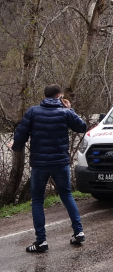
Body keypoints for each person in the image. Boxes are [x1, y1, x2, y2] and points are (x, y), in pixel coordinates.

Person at [13, 84, 88, 253]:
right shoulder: (66, 113)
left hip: (40, 164)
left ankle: (41, 241)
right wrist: (71, 109)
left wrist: (16, 147)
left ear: (45, 96)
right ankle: (79, 232)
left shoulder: (33, 112)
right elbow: (82, 127)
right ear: (59, 97)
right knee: (67, 195)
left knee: (38, 201)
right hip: (60, 163)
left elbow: (20, 134)